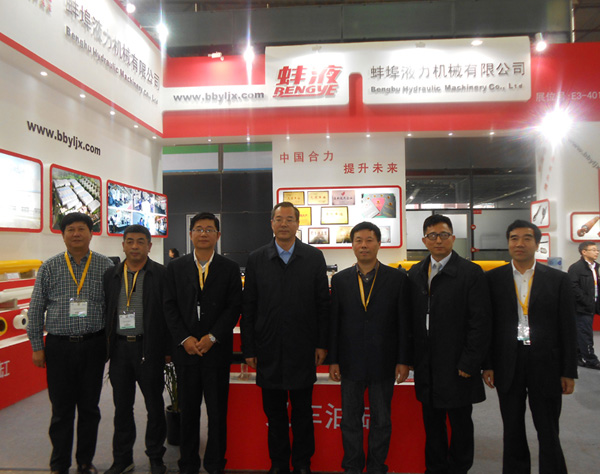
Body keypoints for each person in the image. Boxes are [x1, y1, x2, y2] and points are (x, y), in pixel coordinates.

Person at [241, 202, 330, 474]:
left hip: (303, 349)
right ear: (271, 223)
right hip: (268, 349)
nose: (284, 224)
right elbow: (249, 306)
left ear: (297, 224)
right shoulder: (257, 259)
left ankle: (302, 464)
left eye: (289, 219)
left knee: (303, 413)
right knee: (275, 414)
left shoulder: (313, 257)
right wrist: (249, 348)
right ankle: (278, 464)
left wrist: (322, 343)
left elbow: (322, 304)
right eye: (279, 219)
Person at [483, 220, 578, 474]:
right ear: (508, 243)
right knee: (512, 427)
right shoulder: (493, 279)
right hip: (508, 361)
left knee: (548, 428)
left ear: (537, 244)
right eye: (514, 238)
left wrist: (569, 370)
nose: (519, 243)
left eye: (526, 238)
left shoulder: (558, 279)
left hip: (546, 362)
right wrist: (488, 364)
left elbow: (568, 327)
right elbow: (488, 325)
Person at [27, 212, 114, 474]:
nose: (76, 234)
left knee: (89, 408)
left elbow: (112, 308)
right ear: (63, 235)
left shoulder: (105, 265)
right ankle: (59, 464)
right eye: (70, 229)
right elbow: (36, 309)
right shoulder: (49, 266)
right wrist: (37, 346)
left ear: (91, 233)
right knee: (61, 409)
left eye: (81, 229)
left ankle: (85, 462)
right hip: (59, 347)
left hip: (93, 345)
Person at [407, 214, 491, 474]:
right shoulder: (415, 272)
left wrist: (470, 361)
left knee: (460, 422)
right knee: (432, 423)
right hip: (427, 363)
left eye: (444, 235)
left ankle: (459, 468)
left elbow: (480, 322)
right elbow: (410, 319)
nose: (438, 240)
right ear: (424, 240)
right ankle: (435, 468)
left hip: (457, 363)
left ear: (453, 238)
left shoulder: (470, 273)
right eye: (432, 236)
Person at [163, 212, 242, 474]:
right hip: (187, 351)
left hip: (216, 351)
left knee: (217, 411)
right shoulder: (176, 267)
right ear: (190, 234)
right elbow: (169, 306)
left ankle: (216, 463)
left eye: (209, 229)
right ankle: (188, 463)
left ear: (218, 235)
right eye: (198, 229)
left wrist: (213, 337)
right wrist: (184, 338)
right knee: (188, 411)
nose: (204, 233)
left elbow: (234, 307)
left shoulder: (229, 268)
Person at [329, 222, 410, 474]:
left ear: (379, 244)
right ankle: (352, 467)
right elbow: (334, 323)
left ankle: (377, 467)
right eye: (358, 240)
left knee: (382, 420)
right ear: (352, 245)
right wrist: (334, 360)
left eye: (369, 240)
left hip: (384, 361)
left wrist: (403, 360)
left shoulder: (397, 279)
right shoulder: (340, 280)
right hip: (350, 361)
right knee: (350, 420)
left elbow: (404, 322)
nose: (364, 245)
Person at [103, 225, 170, 474]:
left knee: (154, 406)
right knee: (122, 408)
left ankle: (156, 457)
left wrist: (167, 349)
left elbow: (169, 314)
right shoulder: (111, 275)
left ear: (149, 246)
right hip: (120, 350)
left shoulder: (161, 274)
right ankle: (122, 459)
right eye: (129, 241)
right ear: (123, 245)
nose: (134, 246)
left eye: (140, 242)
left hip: (149, 348)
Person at [567, 241, 600, 369]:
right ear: (584, 252)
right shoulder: (576, 268)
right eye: (593, 250)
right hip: (581, 307)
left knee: (580, 333)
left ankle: (577, 357)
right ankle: (591, 360)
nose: (596, 252)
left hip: (592, 305)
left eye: (597, 250)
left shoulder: (595, 267)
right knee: (585, 333)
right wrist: (586, 300)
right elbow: (573, 287)